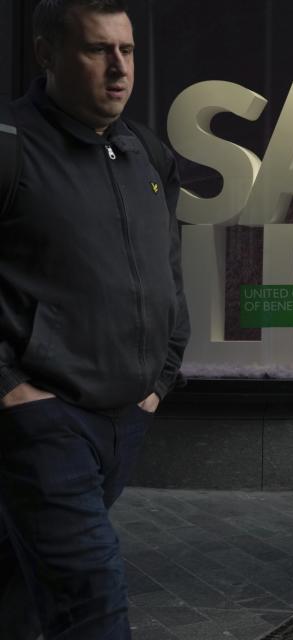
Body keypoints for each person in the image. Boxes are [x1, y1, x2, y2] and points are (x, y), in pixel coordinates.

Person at [0, 1, 189, 637]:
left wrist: (160, 378)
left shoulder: (147, 155)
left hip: (125, 419)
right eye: (96, 49)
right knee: (91, 599)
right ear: (47, 54)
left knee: (21, 588)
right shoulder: (10, 147)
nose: (118, 69)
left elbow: (168, 268)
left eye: (127, 51)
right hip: (42, 419)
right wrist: (12, 391)